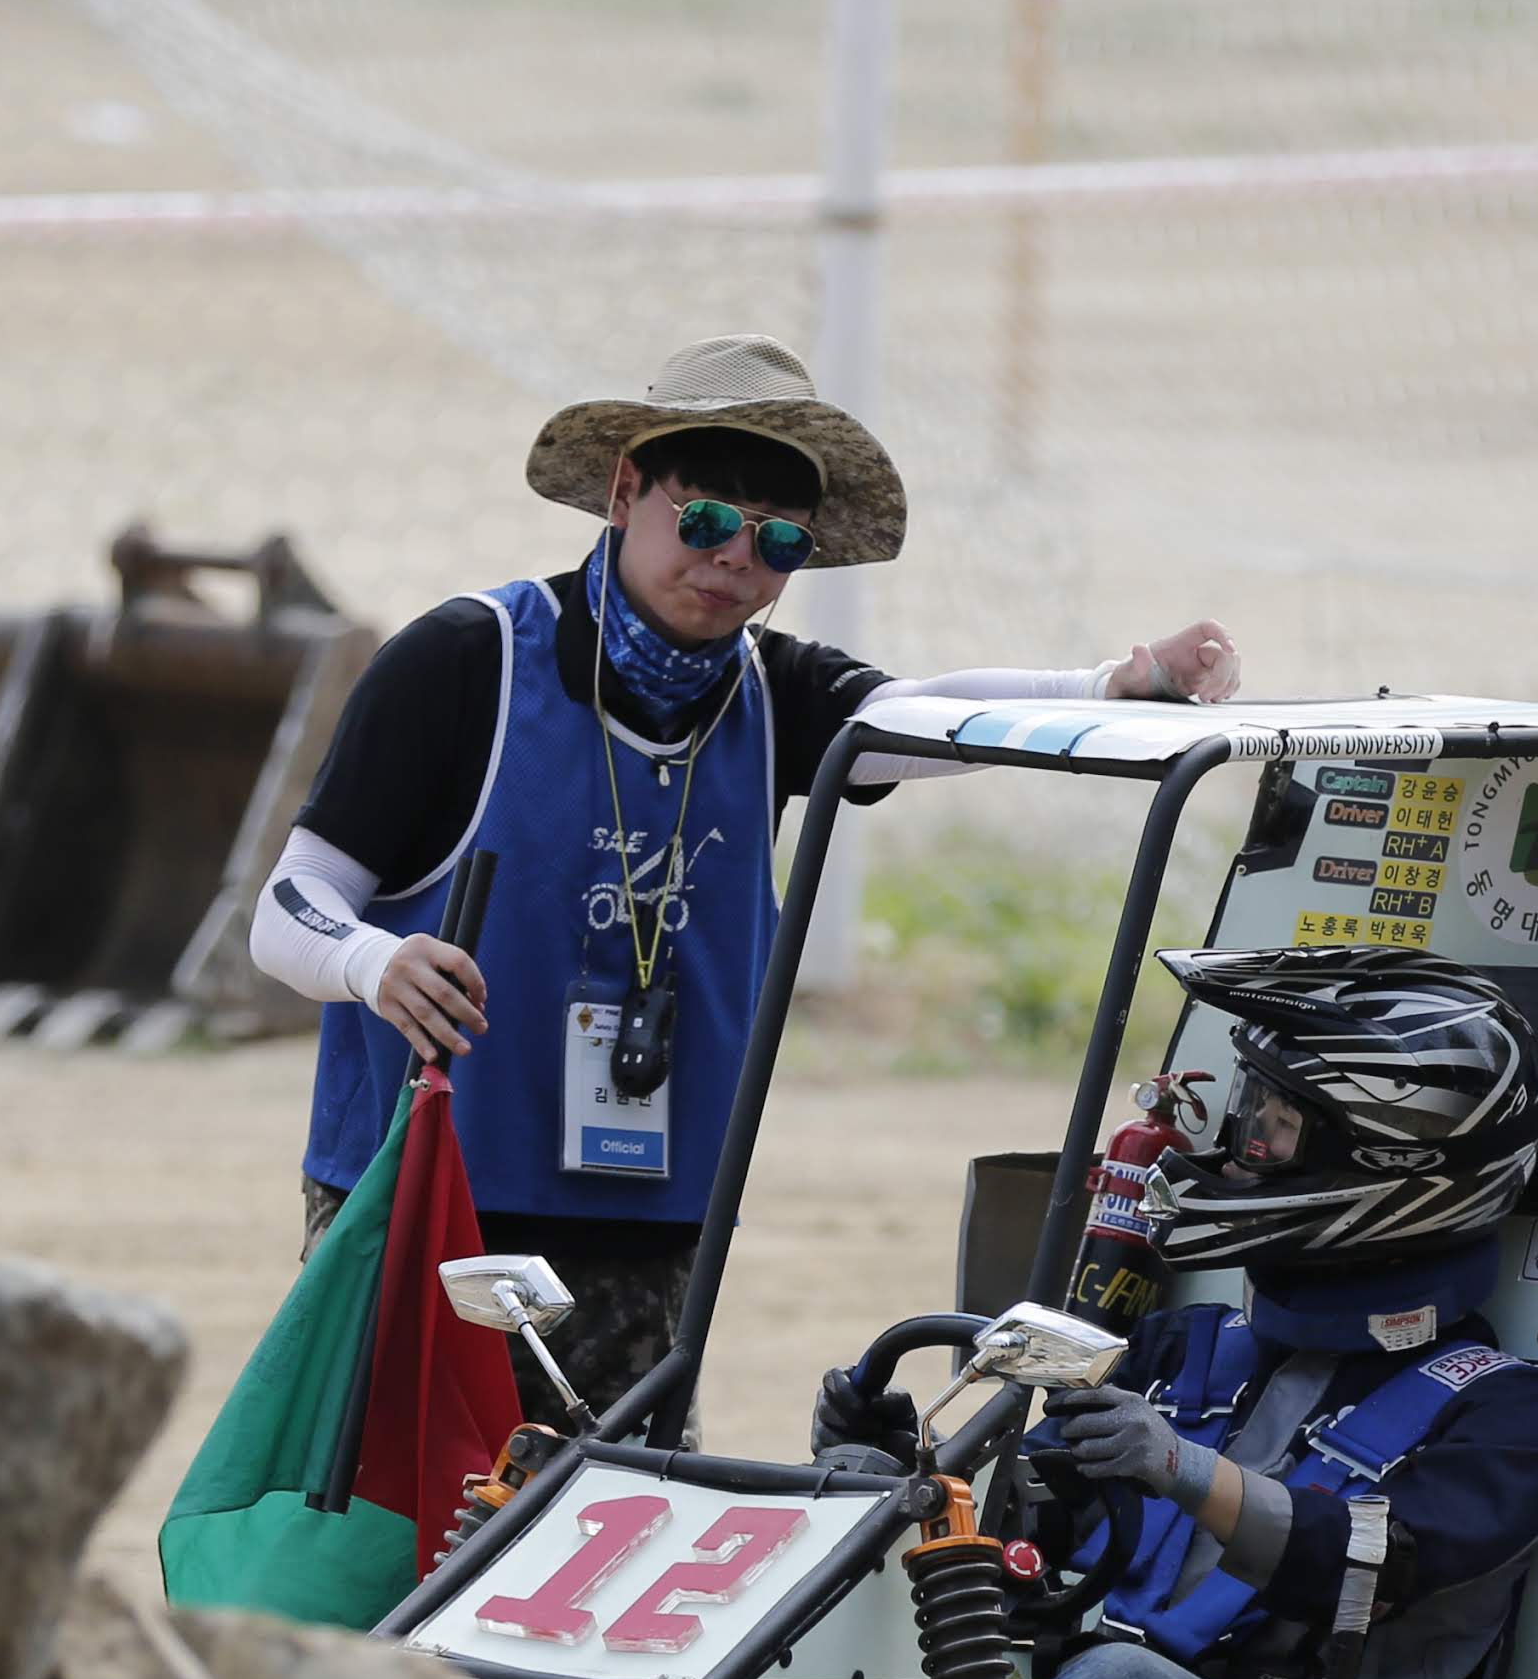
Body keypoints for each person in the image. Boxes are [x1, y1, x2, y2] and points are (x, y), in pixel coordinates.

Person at [250, 333, 1243, 1418]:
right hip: (422, 1200)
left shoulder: (773, 693)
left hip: (647, 1214)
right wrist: (370, 960)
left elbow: (927, 721)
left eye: (777, 543)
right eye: (708, 519)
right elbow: (288, 905)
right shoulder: (463, 661)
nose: (734, 561)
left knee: (600, 1538)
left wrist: (1117, 680)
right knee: (392, 1550)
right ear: (626, 490)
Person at [997, 951, 1538, 1679]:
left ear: (1390, 1166)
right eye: (1248, 1110)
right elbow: (1030, 1506)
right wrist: (886, 1461)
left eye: (1274, 1129)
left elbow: (1369, 1563)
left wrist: (1185, 1468)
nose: (1239, 1156)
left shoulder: (1513, 1418)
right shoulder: (1186, 1345)